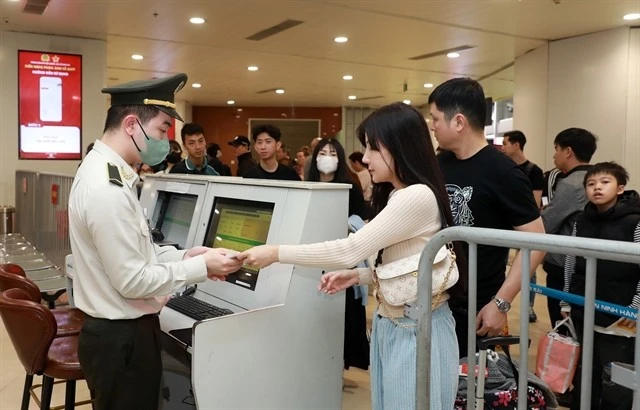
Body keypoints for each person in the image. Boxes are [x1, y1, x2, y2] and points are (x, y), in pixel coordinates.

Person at [237, 102, 466, 409]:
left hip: (416, 328)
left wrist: (277, 253)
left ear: (400, 146)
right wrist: (358, 276)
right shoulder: (402, 193)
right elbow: (409, 265)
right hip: (398, 323)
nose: (366, 158)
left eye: (373, 147)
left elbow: (350, 249)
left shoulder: (416, 195)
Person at [68, 73, 243, 410]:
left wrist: (186, 255)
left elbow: (139, 253)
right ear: (133, 125)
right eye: (163, 129)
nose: (166, 139)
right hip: (122, 340)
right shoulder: (107, 189)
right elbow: (133, 281)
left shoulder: (108, 173)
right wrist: (201, 267)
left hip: (121, 335)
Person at [428, 77, 545, 355]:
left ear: (458, 122)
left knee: (466, 392)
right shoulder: (438, 164)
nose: (432, 126)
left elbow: (537, 242)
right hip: (434, 298)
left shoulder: (504, 173)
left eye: (435, 119)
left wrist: (501, 303)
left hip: (476, 307)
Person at [560, 162, 640, 410]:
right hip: (584, 306)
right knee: (586, 367)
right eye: (591, 184)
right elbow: (571, 260)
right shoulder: (581, 220)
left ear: (620, 188)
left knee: (616, 373)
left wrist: (635, 306)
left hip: (621, 312)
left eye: (605, 182)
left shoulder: (635, 221)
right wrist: (566, 298)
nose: (597, 188)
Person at [307, 138, 371, 370]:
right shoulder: (309, 184)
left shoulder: (350, 185)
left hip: (344, 258)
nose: (327, 157)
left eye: (333, 153)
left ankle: (342, 363)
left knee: (347, 316)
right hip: (314, 258)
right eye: (323, 152)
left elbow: (361, 221)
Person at [541, 128, 597, 328]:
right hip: (587, 266)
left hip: (564, 267)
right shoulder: (596, 178)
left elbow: (546, 224)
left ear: (568, 151)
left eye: (556, 149)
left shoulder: (571, 184)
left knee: (563, 328)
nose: (554, 155)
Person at [502, 130, 545, 322]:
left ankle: (528, 306)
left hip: (523, 226)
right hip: (502, 228)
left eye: (505, 143)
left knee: (529, 268)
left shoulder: (534, 171)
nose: (502, 148)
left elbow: (535, 204)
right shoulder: (502, 167)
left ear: (516, 145)